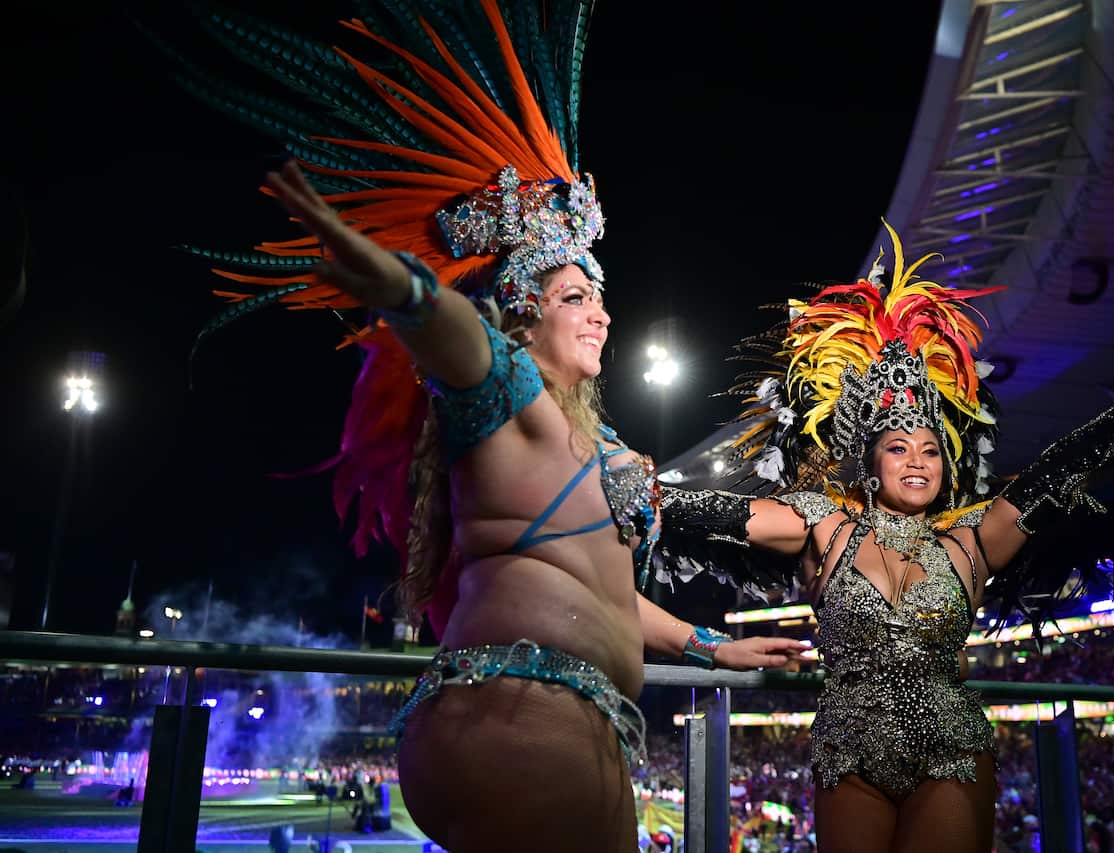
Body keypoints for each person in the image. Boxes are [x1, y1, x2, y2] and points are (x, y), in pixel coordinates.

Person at [175, 3, 804, 851]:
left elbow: (605, 594)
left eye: (603, 298)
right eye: (577, 297)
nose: (603, 317)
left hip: (566, 723)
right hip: (522, 720)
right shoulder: (508, 397)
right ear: (523, 313)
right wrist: (405, 290)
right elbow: (459, 342)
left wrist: (706, 646)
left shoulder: (601, 448)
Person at [658, 224, 1114, 853]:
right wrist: (636, 493)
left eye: (930, 450)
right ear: (871, 464)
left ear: (947, 464)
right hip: (849, 749)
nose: (917, 461)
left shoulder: (972, 542)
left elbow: (1048, 475)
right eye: (898, 448)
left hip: (951, 749)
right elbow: (722, 514)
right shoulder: (823, 523)